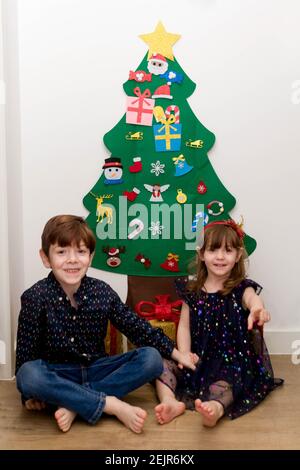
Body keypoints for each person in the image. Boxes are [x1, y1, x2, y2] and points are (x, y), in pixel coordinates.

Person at [15, 215, 196, 433]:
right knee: (28, 374)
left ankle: (75, 404)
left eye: (80, 252)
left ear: (90, 257)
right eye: (62, 252)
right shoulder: (35, 297)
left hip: (97, 369)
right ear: (46, 258)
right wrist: (28, 397)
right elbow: (26, 358)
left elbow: (137, 328)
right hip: (58, 373)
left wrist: (177, 354)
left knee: (151, 359)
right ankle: (109, 404)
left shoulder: (102, 292)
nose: (72, 260)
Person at [155, 219, 283, 427]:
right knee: (161, 364)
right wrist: (185, 354)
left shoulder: (242, 288)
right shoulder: (192, 291)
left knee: (229, 382)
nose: (220, 257)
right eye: (213, 250)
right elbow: (185, 326)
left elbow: (252, 300)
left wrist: (258, 309)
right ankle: (170, 402)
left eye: (228, 251)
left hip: (232, 360)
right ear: (201, 254)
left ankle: (215, 409)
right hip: (199, 359)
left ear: (238, 255)